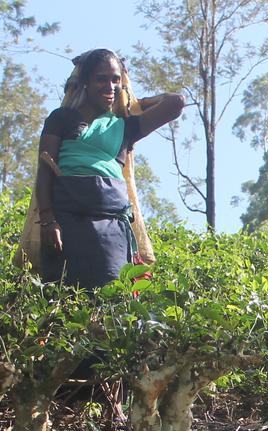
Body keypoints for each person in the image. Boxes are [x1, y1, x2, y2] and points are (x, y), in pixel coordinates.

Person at [34, 49, 183, 288]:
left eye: (116, 80)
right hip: (67, 223)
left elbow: (176, 103)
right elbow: (45, 167)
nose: (110, 86)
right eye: (102, 79)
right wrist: (48, 219)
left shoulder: (125, 127)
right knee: (64, 299)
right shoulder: (61, 119)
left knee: (110, 300)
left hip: (111, 228)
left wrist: (136, 102)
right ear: (85, 82)